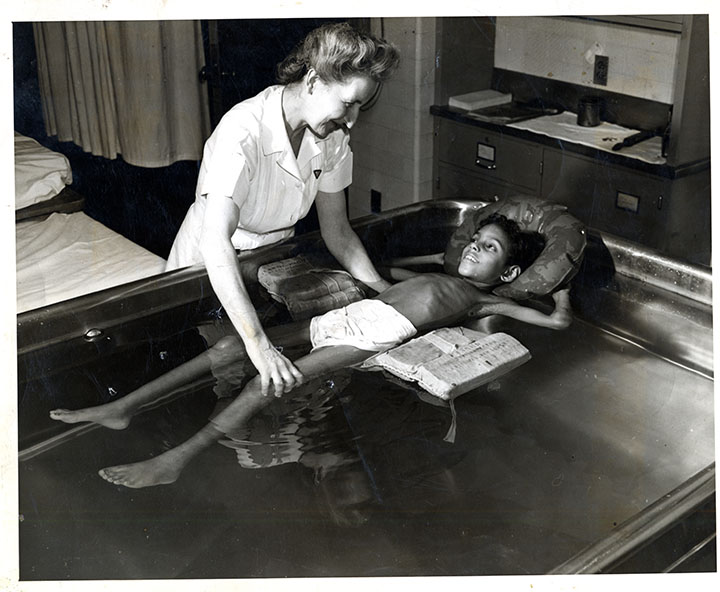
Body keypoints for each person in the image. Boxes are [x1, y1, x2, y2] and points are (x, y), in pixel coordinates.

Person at [50, 213, 573, 488]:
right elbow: (393, 272)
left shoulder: (483, 298)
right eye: (475, 239)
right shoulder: (443, 273)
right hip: (348, 316)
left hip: (372, 334)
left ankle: (177, 459)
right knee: (235, 346)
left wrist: (560, 287)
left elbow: (550, 317)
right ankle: (123, 406)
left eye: (488, 249)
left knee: (267, 379)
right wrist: (439, 255)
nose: (474, 249)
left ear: (505, 273)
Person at [165, 22, 400, 398]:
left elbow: (337, 230)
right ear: (312, 82)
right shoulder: (242, 131)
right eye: (348, 102)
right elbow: (216, 241)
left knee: (268, 387)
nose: (352, 118)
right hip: (211, 267)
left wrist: (381, 290)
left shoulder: (331, 138)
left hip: (269, 263)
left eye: (360, 105)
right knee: (211, 379)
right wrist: (258, 344)